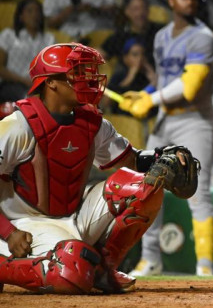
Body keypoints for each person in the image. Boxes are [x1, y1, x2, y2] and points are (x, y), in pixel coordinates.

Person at [0, 42, 198, 293]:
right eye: (77, 73)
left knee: (145, 188)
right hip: (25, 223)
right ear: (51, 82)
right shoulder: (18, 125)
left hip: (74, 215)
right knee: (70, 272)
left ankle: (104, 269)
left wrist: (163, 156)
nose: (88, 80)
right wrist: (9, 232)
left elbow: (132, 160)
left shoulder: (91, 121)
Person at [121, 0, 213, 277]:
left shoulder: (203, 37)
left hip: (194, 120)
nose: (190, 1)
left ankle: (205, 265)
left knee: (198, 192)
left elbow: (189, 86)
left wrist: (151, 100)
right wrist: (145, 94)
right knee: (149, 188)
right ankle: (150, 259)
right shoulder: (162, 36)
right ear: (171, 1)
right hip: (165, 119)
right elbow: (167, 80)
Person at [0, 0, 54, 102]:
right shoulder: (8, 35)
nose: (35, 15)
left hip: (41, 84)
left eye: (38, 11)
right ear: (21, 16)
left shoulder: (49, 39)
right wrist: (24, 80)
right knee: (28, 98)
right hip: (13, 83)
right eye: (30, 11)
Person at [100, 0, 160, 66]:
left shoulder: (161, 32)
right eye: (135, 9)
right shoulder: (120, 36)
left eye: (143, 8)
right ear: (127, 11)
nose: (140, 13)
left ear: (148, 10)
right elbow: (100, 54)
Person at [105, 38, 156, 115]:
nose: (140, 58)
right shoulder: (119, 75)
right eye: (135, 55)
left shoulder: (147, 75)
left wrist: (152, 76)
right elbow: (106, 103)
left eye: (142, 54)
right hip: (122, 117)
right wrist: (130, 76)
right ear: (125, 58)